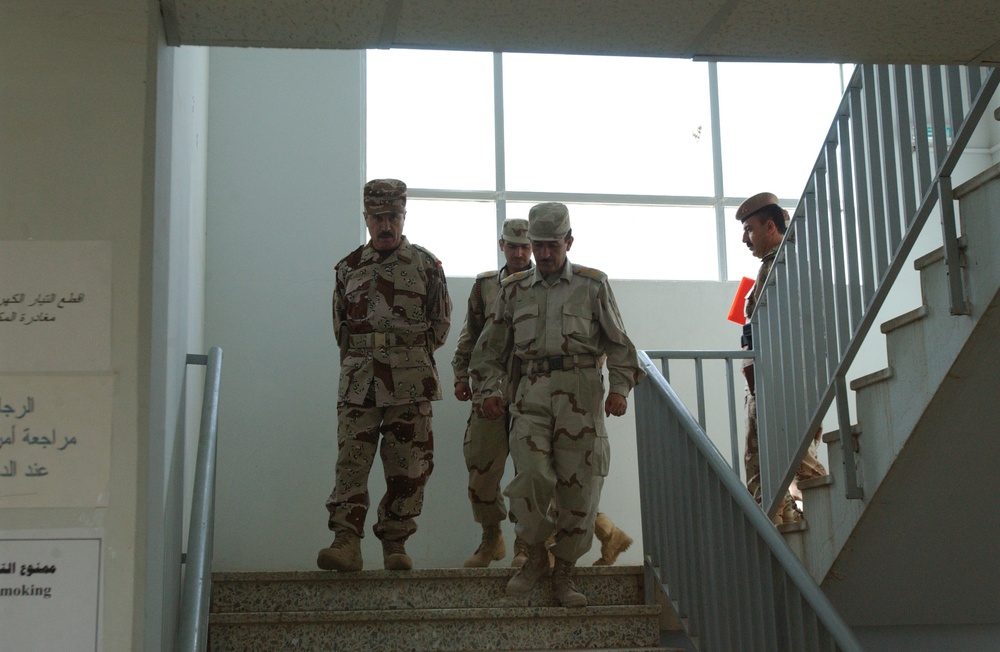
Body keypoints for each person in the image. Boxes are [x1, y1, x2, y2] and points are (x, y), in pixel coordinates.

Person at [470, 202, 644, 607]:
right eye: (538, 245)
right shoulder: (514, 289)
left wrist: (620, 388)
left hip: (581, 394)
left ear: (568, 241)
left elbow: (620, 345)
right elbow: (488, 350)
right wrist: (489, 390)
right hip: (530, 392)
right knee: (529, 479)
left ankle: (564, 571)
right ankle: (533, 559)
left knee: (580, 489)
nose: (545, 254)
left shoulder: (593, 285)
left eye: (552, 245)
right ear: (528, 244)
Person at [317, 178, 452, 572]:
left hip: (411, 385)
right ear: (366, 218)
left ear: (404, 216)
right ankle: (346, 543)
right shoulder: (349, 268)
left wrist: (404, 355)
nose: (386, 225)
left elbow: (439, 326)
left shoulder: (426, 266)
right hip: (359, 384)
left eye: (393, 216)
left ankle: (395, 542)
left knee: (409, 467)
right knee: (351, 464)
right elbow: (340, 329)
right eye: (378, 217)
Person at [737, 191, 827, 525]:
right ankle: (781, 539)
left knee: (797, 464)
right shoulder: (773, 267)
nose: (744, 238)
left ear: (770, 226)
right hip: (767, 383)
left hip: (784, 385)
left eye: (749, 229)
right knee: (762, 470)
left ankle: (829, 519)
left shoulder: (786, 267)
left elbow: (802, 332)